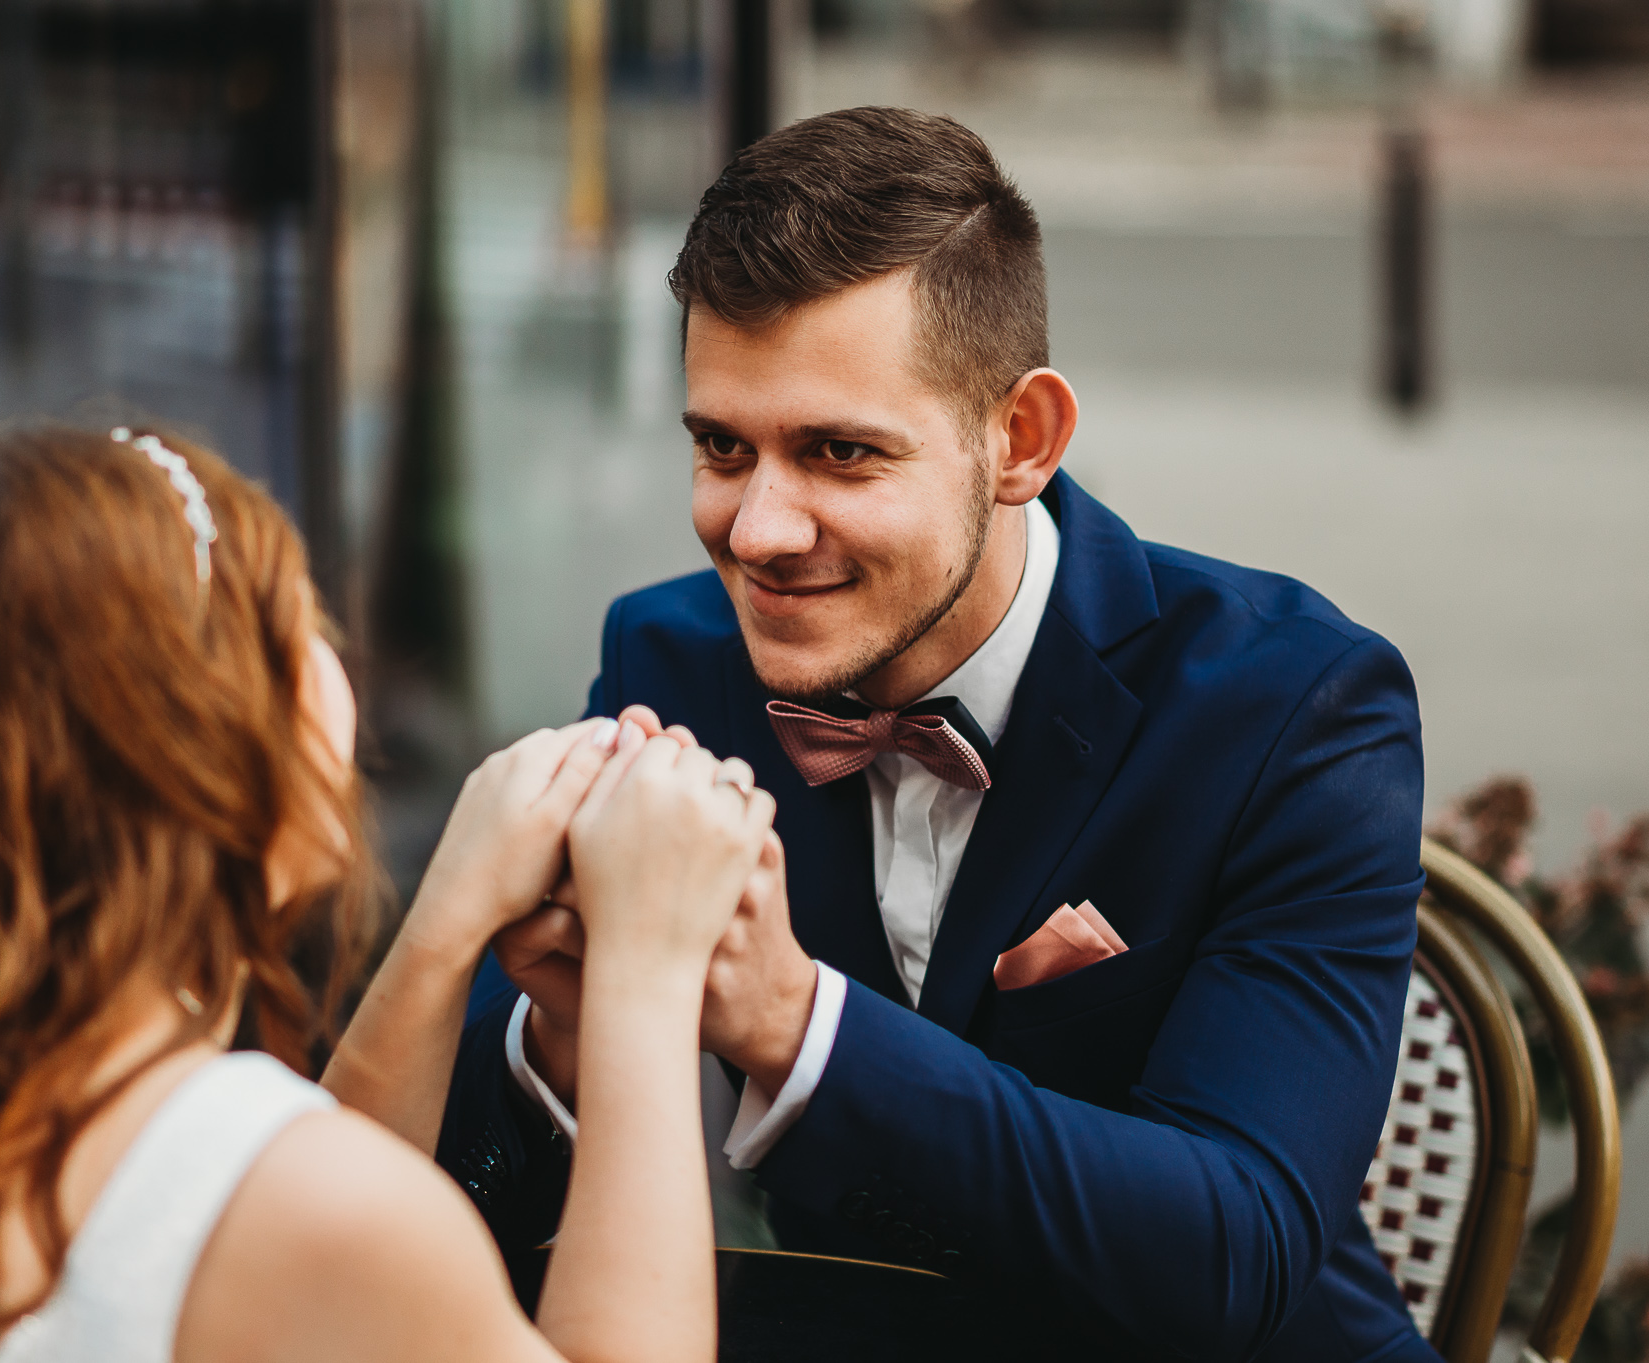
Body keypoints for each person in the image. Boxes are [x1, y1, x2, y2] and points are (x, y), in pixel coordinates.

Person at [438, 107, 1434, 1363]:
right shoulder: (667, 660)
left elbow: (1234, 1252)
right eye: (721, 447)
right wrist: (555, 1045)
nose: (755, 531)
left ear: (1019, 440)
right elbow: (437, 1201)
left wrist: (794, 1023)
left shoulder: (1294, 707)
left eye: (838, 452)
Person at [0, 420, 777, 1363]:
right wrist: (646, 973)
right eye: (303, 621)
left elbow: (261, 1205)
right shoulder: (295, 1204)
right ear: (206, 730)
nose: (337, 665)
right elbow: (292, 1211)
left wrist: (443, 925)